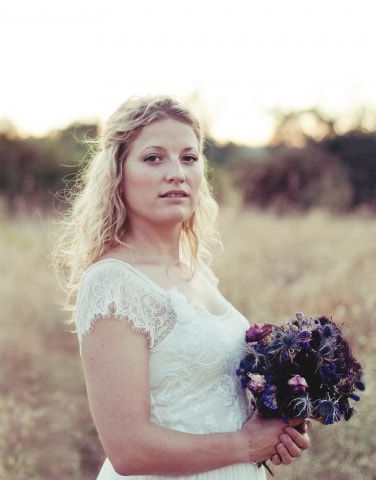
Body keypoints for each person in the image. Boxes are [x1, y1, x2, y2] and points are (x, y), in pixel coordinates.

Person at [53, 95, 312, 479]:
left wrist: (281, 423)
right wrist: (247, 444)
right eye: (154, 158)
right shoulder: (113, 283)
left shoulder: (196, 271)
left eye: (189, 158)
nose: (176, 172)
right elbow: (128, 449)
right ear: (117, 173)